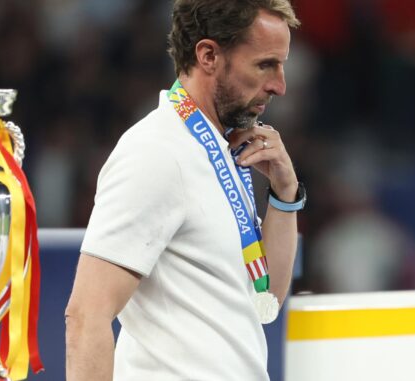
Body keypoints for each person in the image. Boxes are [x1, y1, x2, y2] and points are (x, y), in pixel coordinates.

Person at [65, 1, 303, 380]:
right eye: (264, 65)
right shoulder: (156, 152)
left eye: (281, 65)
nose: (280, 85)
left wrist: (285, 195)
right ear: (208, 55)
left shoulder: (221, 149)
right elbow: (86, 315)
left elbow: (266, 299)